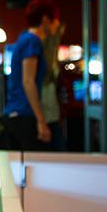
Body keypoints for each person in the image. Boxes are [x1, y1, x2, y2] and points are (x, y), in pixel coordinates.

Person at [2, 0, 60, 151]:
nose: (56, 25)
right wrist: (41, 121)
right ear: (45, 19)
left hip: (16, 114)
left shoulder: (25, 38)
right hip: (23, 114)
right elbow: (28, 81)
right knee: (35, 169)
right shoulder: (32, 41)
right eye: (55, 20)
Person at [40, 18, 67, 151]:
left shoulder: (52, 57)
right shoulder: (44, 57)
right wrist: (41, 121)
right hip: (46, 117)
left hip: (52, 115)